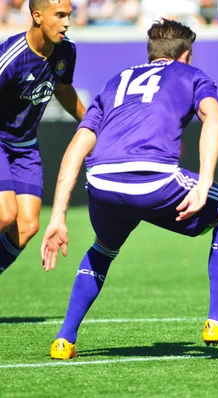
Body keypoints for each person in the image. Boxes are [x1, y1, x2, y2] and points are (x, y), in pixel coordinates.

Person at [41, 19, 218, 360]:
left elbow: (77, 148)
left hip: (102, 182)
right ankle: (217, 321)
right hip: (154, 179)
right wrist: (203, 184)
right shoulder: (192, 74)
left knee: (104, 246)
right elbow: (214, 118)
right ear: (186, 54)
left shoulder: (115, 82)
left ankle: (65, 339)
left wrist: (58, 218)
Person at [0, 0, 86, 277]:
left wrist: (92, 123)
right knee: (5, 214)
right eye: (59, 15)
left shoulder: (67, 50)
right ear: (37, 16)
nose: (67, 22)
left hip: (25, 147)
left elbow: (63, 88)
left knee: (27, 225)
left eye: (69, 15)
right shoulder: (12, 57)